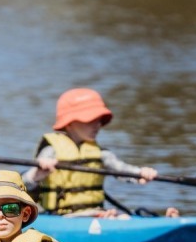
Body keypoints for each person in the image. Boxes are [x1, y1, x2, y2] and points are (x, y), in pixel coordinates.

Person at [23, 87, 180, 218]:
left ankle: (165, 223)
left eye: (99, 120)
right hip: (61, 217)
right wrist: (36, 174)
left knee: (123, 217)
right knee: (119, 218)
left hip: (96, 213)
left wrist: (141, 173)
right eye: (90, 120)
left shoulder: (101, 153)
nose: (97, 125)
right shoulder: (50, 151)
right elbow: (23, 184)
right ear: (69, 123)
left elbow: (123, 170)